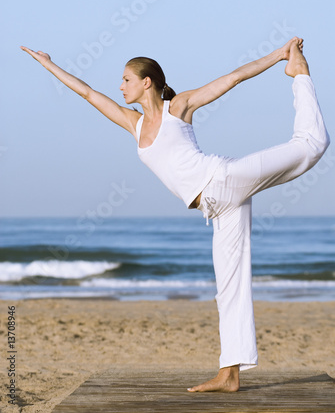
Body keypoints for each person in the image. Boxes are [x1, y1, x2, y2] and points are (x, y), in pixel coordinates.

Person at [21, 37, 330, 392]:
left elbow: (233, 78)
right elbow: (88, 94)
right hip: (216, 207)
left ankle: (301, 74)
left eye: (126, 79)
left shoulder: (178, 108)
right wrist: (49, 65)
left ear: (145, 82)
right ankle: (229, 374)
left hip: (223, 179)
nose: (120, 86)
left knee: (311, 144)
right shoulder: (133, 124)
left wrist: (278, 56)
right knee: (229, 287)